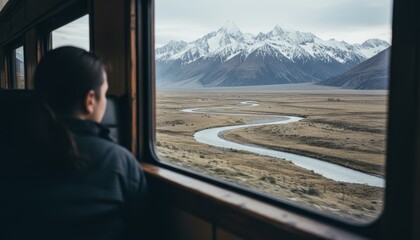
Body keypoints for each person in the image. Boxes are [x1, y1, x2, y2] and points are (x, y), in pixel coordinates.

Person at [0, 47, 148, 240]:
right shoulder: (120, 162)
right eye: (104, 93)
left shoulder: (9, 150)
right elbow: (143, 229)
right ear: (90, 100)